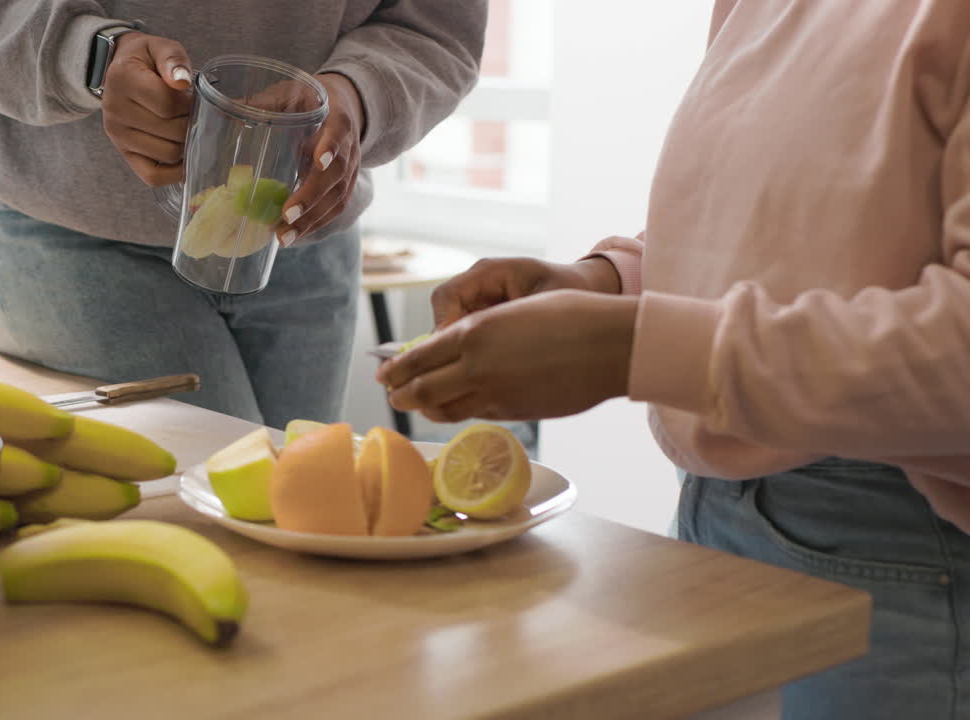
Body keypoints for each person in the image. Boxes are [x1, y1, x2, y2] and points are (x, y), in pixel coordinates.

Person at [375, 2, 970, 718]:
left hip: (901, 549)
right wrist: (605, 279)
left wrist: (633, 348)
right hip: (718, 515)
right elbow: (769, 225)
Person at [0, 1, 487, 428]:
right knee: (209, 529)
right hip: (76, 225)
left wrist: (355, 96)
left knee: (300, 529)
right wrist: (92, 56)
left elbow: (437, 24)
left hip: (303, 237)